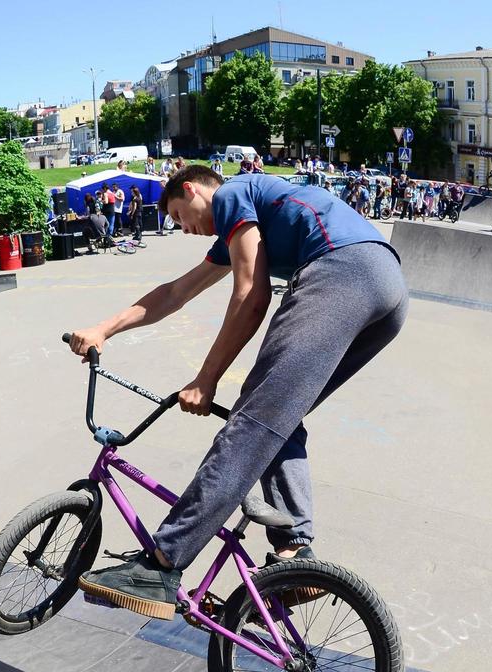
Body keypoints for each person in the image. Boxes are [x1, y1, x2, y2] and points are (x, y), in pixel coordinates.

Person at [68, 165, 406, 618]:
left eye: (176, 213)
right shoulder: (241, 221)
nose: (180, 227)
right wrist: (104, 328)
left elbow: (251, 295)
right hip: (386, 287)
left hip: (341, 271)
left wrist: (205, 379)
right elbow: (175, 293)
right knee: (275, 416)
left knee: (250, 424)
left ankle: (163, 562)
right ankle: (294, 552)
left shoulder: (231, 195)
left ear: (191, 190)